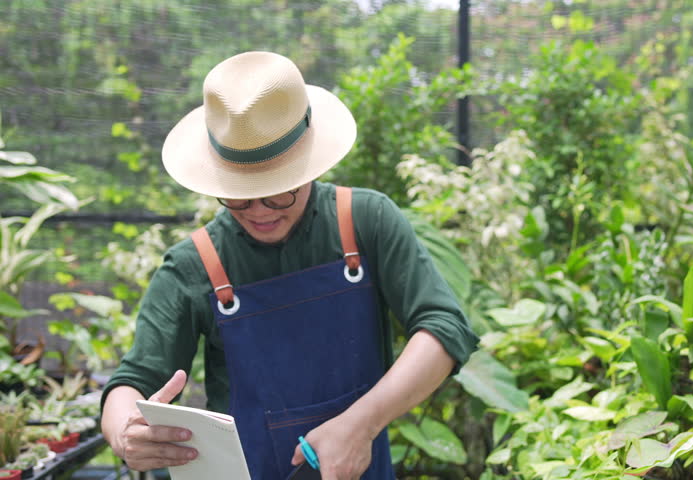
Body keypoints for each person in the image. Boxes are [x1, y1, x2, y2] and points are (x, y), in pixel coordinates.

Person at [100, 51, 479, 480]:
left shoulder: (364, 222)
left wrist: (361, 424)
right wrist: (125, 433)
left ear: (308, 164)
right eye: (239, 195)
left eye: (278, 191)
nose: (259, 211)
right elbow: (134, 380)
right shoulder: (193, 266)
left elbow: (444, 326)